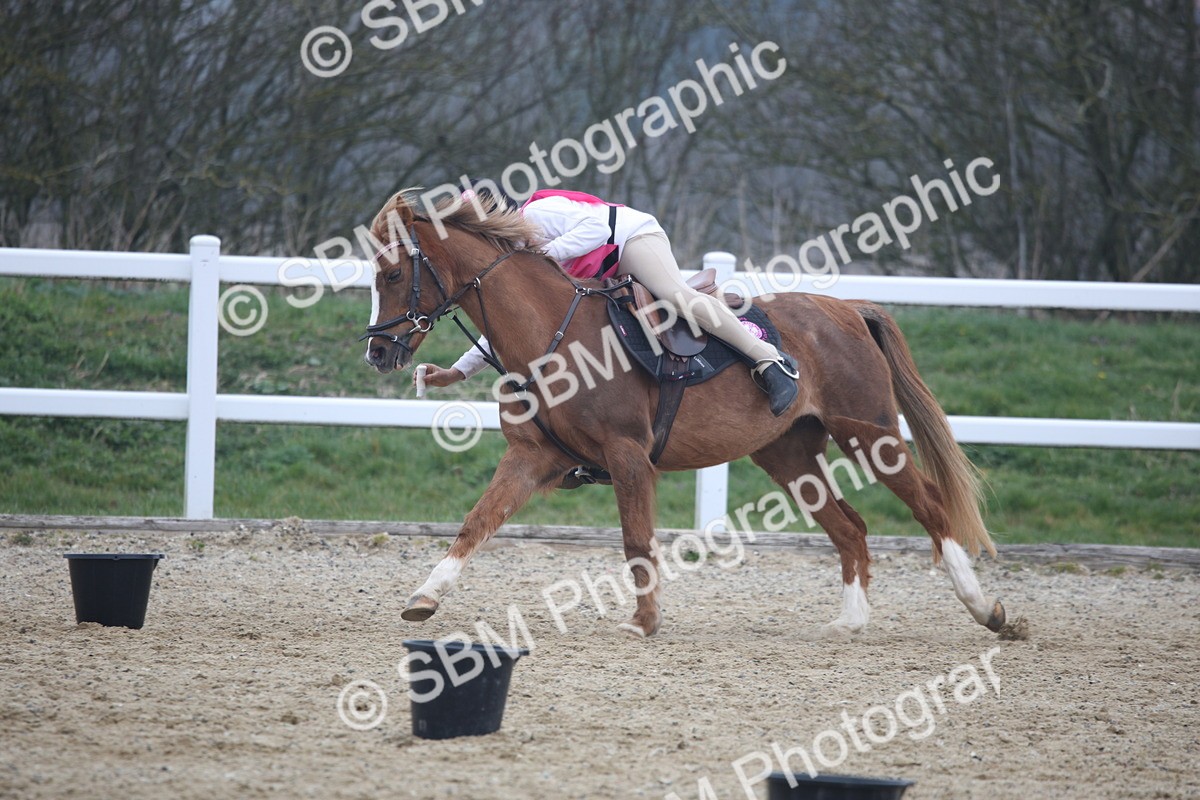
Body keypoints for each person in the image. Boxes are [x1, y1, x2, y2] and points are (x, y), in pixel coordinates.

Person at [417, 184, 799, 416]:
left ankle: (771, 363)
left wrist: (548, 254)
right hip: (609, 265)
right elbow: (507, 324)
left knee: (675, 295)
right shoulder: (515, 257)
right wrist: (458, 372)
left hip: (632, 237)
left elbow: (598, 227)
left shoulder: (537, 212)